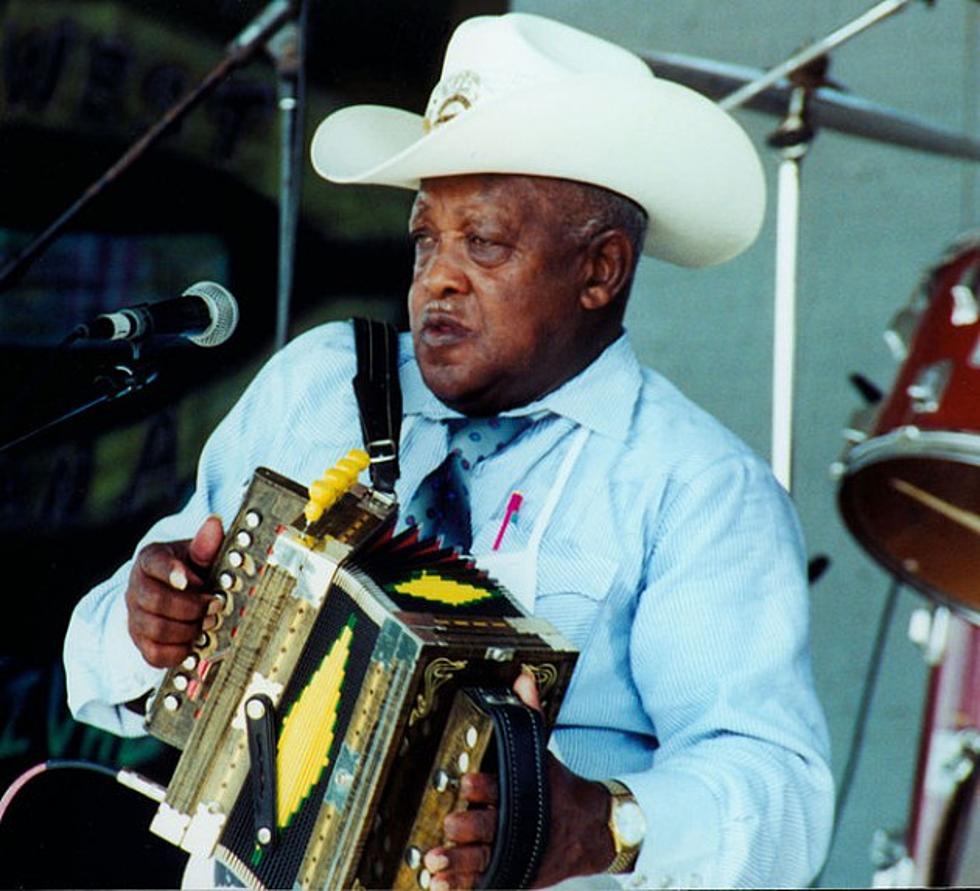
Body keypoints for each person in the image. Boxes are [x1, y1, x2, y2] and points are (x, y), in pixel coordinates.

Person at [64, 12, 834, 890]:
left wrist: (598, 822)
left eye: (486, 242)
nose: (439, 275)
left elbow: (786, 798)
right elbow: (93, 668)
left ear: (601, 270)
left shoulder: (696, 485)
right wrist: (144, 629)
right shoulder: (319, 385)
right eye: (426, 236)